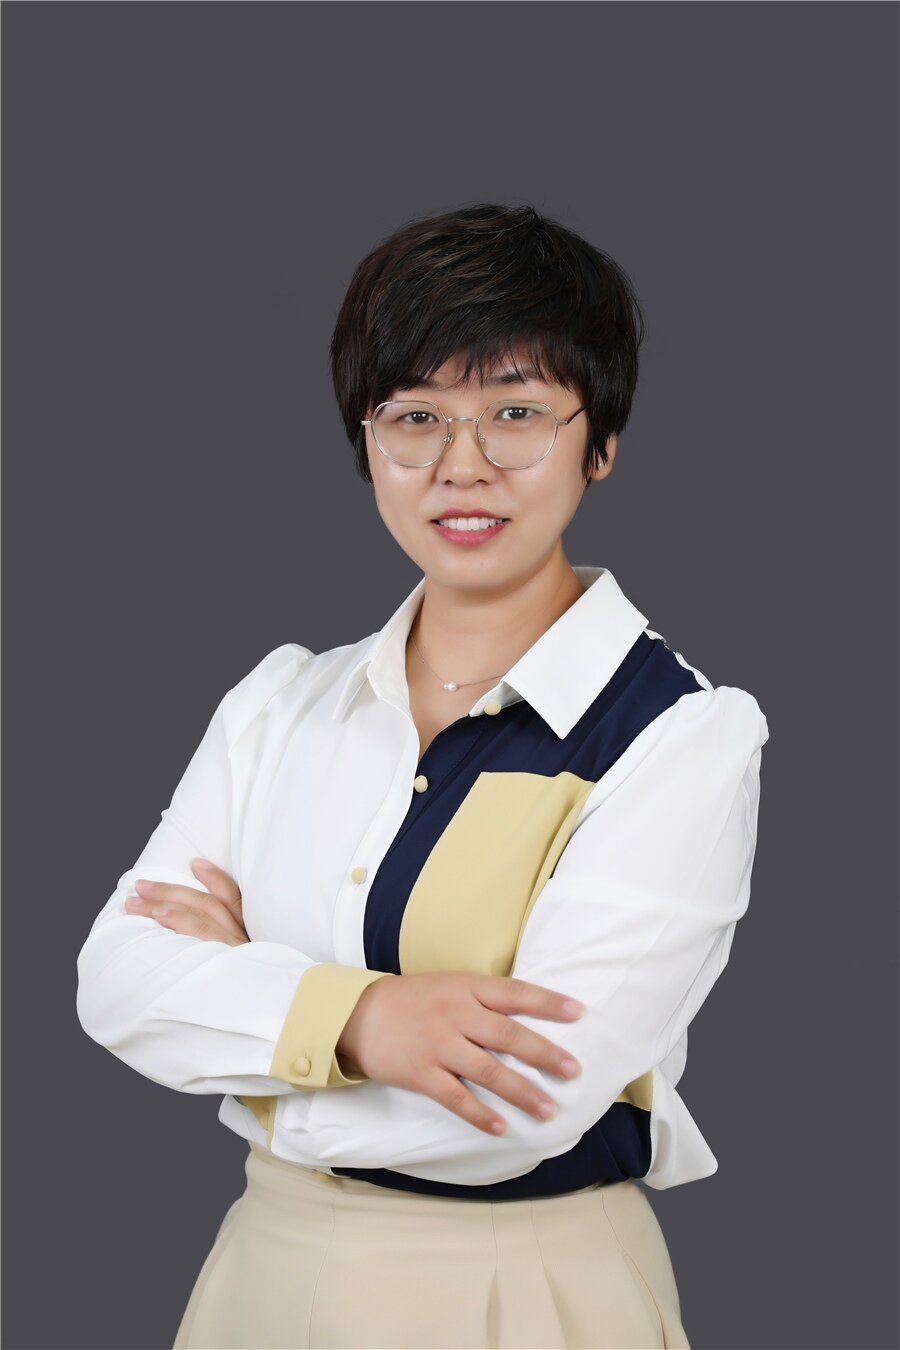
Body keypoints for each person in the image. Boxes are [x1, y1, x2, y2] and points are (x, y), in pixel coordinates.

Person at [76, 202, 769, 1350]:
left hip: (524, 1290)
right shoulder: (281, 704)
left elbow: (519, 1111)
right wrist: (371, 1020)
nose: (462, 466)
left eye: (516, 414)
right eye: (415, 417)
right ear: (368, 442)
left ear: (600, 442)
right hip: (259, 1275)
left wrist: (249, 1026)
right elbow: (116, 982)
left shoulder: (681, 736)